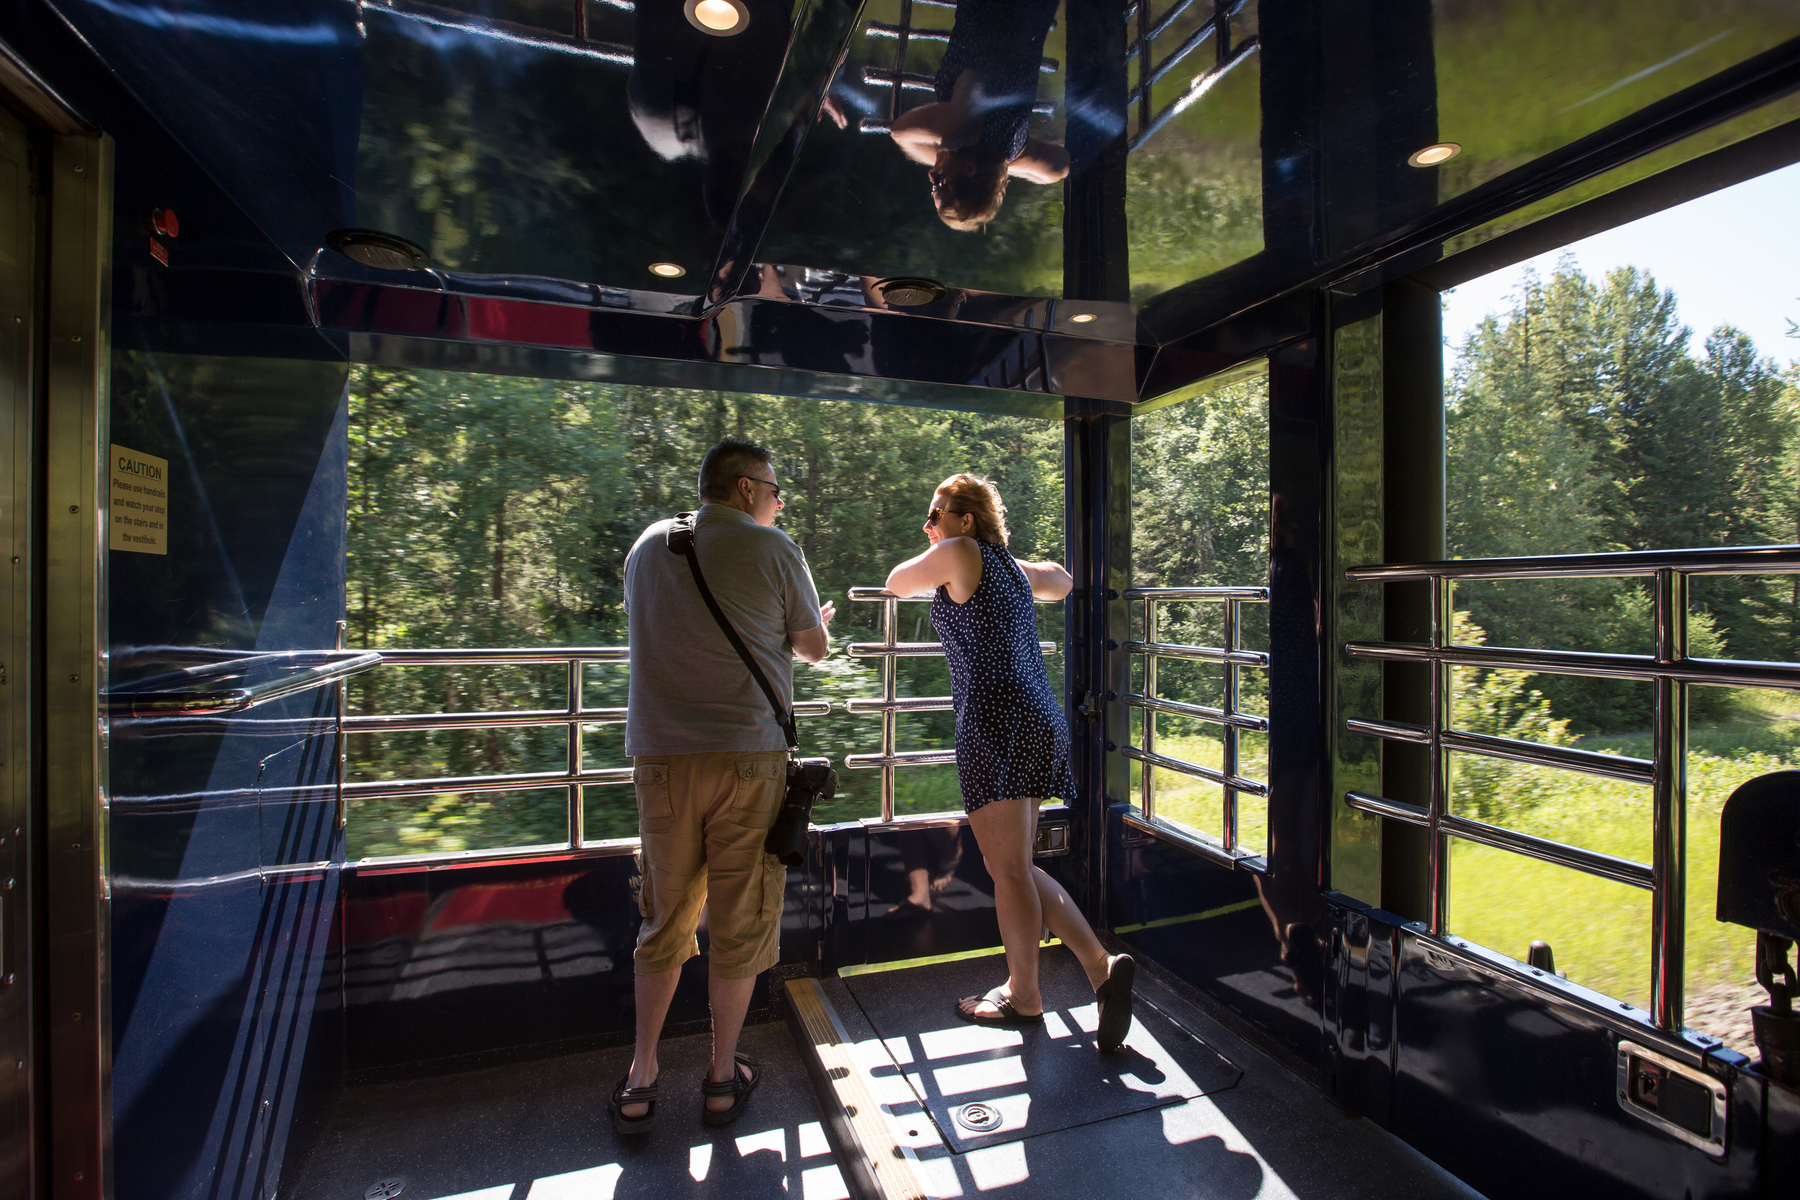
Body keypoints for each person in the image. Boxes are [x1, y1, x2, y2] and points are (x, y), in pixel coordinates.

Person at [611, 437, 835, 1134]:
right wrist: (814, 624)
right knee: (741, 915)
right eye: (773, 490)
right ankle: (719, 1076)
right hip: (747, 758)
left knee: (665, 915)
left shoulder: (647, 546)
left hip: (661, 758)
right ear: (743, 489)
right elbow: (811, 647)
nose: (778, 501)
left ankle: (642, 1075)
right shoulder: (775, 548)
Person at [883, 473, 1135, 1049]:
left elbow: (896, 582)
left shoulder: (958, 551)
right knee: (1017, 866)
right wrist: (1008, 558)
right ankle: (1099, 969)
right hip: (1036, 713)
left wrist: (938, 547)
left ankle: (1027, 996)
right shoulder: (1011, 568)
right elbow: (1064, 582)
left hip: (993, 719)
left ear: (965, 520)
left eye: (937, 512)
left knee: (1010, 872)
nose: (930, 524)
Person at [887, 0, 1069, 230]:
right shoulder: (956, 130)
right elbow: (899, 131)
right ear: (969, 171)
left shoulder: (1011, 148)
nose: (932, 176)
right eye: (940, 185)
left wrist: (995, 168)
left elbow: (1058, 167)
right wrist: (948, 147)